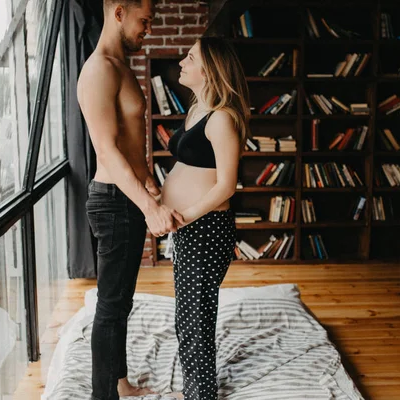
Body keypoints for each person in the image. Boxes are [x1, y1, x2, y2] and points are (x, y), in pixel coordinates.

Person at [76, 1, 184, 399]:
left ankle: (118, 385)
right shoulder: (100, 69)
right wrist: (149, 206)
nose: (149, 29)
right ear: (119, 12)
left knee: (118, 303)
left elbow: (130, 146)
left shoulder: (120, 66)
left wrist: (150, 186)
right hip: (115, 201)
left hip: (127, 198)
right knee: (111, 306)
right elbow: (107, 153)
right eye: (145, 20)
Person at [160, 36, 250, 400]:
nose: (182, 61)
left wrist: (185, 217)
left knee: (196, 316)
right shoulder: (197, 108)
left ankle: (202, 394)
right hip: (189, 228)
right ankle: (194, 387)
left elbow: (226, 185)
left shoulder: (222, 118)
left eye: (190, 57)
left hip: (206, 228)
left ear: (211, 69)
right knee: (186, 311)